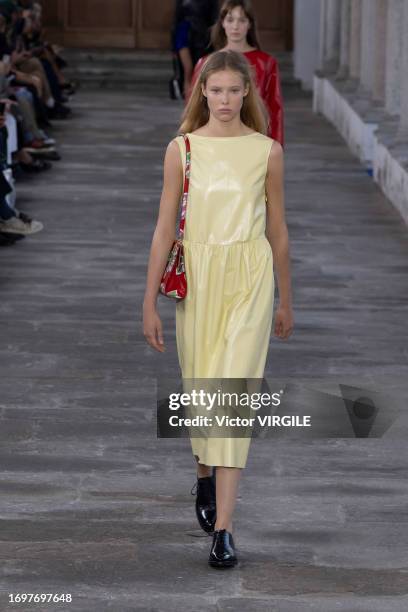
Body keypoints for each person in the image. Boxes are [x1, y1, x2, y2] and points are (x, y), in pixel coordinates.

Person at [143, 49, 293, 568]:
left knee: (233, 400)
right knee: (201, 390)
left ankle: (225, 530)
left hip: (250, 278)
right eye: (216, 90)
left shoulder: (267, 151)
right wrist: (148, 302)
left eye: (235, 90)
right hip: (200, 281)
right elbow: (165, 228)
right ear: (201, 92)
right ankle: (203, 474)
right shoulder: (181, 150)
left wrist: (285, 298)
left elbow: (277, 229)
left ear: (247, 92)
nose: (226, 100)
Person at [186, 0, 285, 146]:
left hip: (254, 137)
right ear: (222, 23)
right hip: (214, 140)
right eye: (230, 19)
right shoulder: (206, 63)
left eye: (242, 20)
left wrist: (276, 148)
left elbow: (275, 110)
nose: (235, 26)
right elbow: (194, 109)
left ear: (249, 24)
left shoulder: (266, 62)